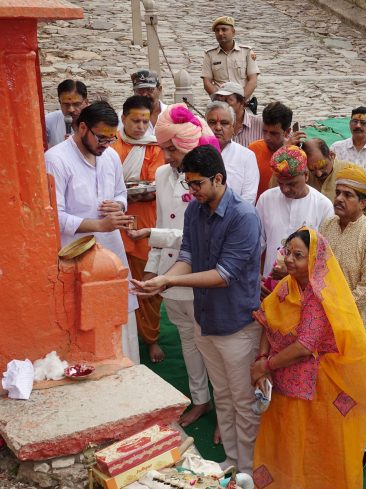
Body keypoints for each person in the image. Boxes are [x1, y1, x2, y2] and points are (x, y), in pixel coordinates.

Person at [131, 144, 263, 475]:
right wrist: (163, 280)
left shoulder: (244, 216)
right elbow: (187, 258)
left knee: (244, 403)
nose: (191, 191)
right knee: (224, 397)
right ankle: (233, 463)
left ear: (218, 178)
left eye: (197, 184)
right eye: (188, 184)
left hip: (238, 324)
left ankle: (249, 470)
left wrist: (168, 282)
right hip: (205, 319)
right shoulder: (195, 211)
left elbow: (223, 276)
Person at [250, 228, 366, 488]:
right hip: (283, 379)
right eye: (287, 252)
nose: (290, 259)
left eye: (299, 255)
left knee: (312, 445)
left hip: (316, 388)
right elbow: (267, 319)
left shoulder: (318, 296)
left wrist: (266, 365)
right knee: (284, 440)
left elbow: (305, 346)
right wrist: (262, 358)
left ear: (315, 259)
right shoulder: (287, 285)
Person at [130, 103, 220, 429]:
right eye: (164, 147)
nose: (167, 155)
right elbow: (159, 222)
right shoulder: (161, 174)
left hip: (196, 273)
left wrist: (154, 238)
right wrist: (153, 271)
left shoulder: (205, 181)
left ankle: (223, 407)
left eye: (171, 148)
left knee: (208, 343)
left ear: (187, 144)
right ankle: (200, 399)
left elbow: (198, 237)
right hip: (169, 275)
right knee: (185, 339)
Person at [45, 101, 140, 364]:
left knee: (121, 319)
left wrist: (118, 204)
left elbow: (121, 192)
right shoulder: (56, 159)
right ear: (82, 127)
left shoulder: (109, 155)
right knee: (86, 323)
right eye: (101, 138)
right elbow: (55, 215)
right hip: (78, 257)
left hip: (112, 251)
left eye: (111, 139)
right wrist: (99, 225)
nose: (106, 144)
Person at [318, 167, 366, 464]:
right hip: (326, 323)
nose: (340, 199)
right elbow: (317, 269)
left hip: (361, 326)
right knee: (332, 383)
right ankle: (335, 436)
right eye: (338, 192)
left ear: (364, 202)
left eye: (348, 195)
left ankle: (363, 445)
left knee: (363, 389)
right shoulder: (328, 225)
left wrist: (335, 311)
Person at [113, 95, 166, 362]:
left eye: (145, 120)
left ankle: (151, 338)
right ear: (123, 119)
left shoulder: (155, 146)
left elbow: (155, 182)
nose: (141, 126)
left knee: (147, 283)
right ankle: (124, 338)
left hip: (146, 221)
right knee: (121, 281)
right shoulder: (112, 144)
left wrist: (130, 186)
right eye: (135, 120)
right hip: (118, 222)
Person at [256, 145, 333, 282]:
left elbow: (324, 257)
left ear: (306, 175)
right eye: (280, 184)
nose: (285, 189)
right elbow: (255, 245)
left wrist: (294, 273)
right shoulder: (266, 200)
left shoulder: (323, 206)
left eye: (291, 184)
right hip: (269, 285)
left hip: (305, 289)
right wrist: (255, 277)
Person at [303, 138, 366, 219]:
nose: (318, 174)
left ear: (331, 155)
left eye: (323, 167)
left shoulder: (350, 170)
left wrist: (359, 218)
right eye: (312, 170)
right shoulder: (305, 176)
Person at [205, 100, 259, 203]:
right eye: (212, 122)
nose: (218, 127)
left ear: (233, 128)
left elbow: (249, 198)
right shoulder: (196, 153)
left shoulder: (246, 156)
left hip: (235, 216)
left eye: (224, 123)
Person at [248, 101, 301, 198]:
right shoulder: (252, 150)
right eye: (264, 131)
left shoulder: (297, 154)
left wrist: (284, 151)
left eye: (273, 133)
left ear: (287, 132)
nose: (267, 137)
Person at [202, 16, 259, 101]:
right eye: (217, 30)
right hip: (220, 104)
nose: (220, 33)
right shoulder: (210, 54)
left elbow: (253, 80)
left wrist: (241, 101)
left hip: (243, 103)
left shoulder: (246, 52)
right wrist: (220, 100)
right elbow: (207, 82)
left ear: (233, 32)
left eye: (224, 29)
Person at [212, 82, 263, 147]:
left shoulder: (260, 124)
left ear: (241, 102)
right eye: (219, 101)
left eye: (227, 100)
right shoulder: (212, 126)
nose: (222, 105)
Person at [120, 70, 167, 136]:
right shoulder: (123, 116)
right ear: (134, 91)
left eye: (150, 89)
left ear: (159, 89)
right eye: (140, 90)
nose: (144, 94)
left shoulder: (172, 113)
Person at [45, 79, 88, 149]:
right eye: (66, 104)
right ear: (60, 102)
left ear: (86, 102)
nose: (71, 110)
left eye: (76, 104)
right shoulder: (49, 121)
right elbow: (37, 145)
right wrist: (61, 149)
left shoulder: (96, 122)